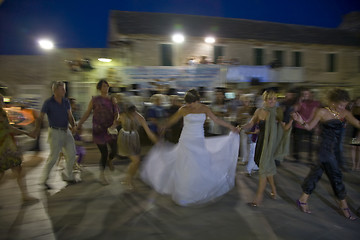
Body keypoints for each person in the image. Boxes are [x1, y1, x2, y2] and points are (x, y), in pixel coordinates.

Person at [140, 89, 240, 206]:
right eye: (187, 103)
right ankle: (184, 193)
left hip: (199, 140)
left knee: (199, 164)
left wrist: (231, 127)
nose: (188, 105)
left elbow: (216, 120)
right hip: (186, 140)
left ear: (197, 101)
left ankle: (198, 190)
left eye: (190, 103)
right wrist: (163, 127)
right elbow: (172, 120)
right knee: (185, 166)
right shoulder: (183, 109)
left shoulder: (205, 108)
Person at [292, 88, 359, 220]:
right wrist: (300, 121)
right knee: (336, 176)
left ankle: (302, 199)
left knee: (316, 174)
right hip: (324, 149)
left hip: (336, 151)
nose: (342, 107)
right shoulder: (322, 111)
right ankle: (344, 206)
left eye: (344, 105)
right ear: (332, 102)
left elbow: (357, 123)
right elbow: (309, 127)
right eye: (340, 104)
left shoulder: (345, 113)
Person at [239, 90, 293, 206]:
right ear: (265, 100)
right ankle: (274, 190)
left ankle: (258, 198)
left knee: (263, 169)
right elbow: (251, 124)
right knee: (266, 167)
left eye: (275, 99)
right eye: (270, 99)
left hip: (270, 144)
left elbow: (285, 128)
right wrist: (241, 127)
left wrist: (293, 120)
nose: (273, 101)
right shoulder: (259, 111)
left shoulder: (277, 112)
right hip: (260, 142)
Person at [32, 81, 79, 189]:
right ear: (55, 90)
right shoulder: (48, 102)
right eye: (62, 89)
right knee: (53, 157)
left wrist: (74, 126)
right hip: (55, 132)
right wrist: (36, 129)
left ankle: (69, 176)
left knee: (72, 153)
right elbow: (40, 117)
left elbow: (70, 116)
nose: (65, 91)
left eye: (64, 88)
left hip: (66, 130)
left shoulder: (66, 102)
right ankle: (44, 180)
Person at [77, 79, 118, 185]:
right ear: (99, 88)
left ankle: (110, 160)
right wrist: (80, 123)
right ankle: (102, 175)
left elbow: (116, 113)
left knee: (114, 150)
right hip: (99, 129)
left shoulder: (112, 99)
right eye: (104, 86)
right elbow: (87, 113)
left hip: (110, 129)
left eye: (107, 86)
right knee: (104, 152)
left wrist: (114, 122)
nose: (106, 88)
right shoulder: (95, 100)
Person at [0, 94, 38, 203]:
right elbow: (9, 129)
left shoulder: (3, 113)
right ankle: (25, 196)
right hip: (2, 148)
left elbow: (10, 129)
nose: (2, 102)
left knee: (19, 169)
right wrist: (26, 133)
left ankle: (25, 196)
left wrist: (26, 133)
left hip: (9, 147)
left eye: (2, 100)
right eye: (0, 100)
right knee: (2, 173)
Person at [115, 102, 157, 189]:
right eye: (131, 113)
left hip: (134, 138)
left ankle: (127, 179)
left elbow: (149, 132)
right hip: (124, 138)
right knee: (136, 161)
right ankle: (128, 180)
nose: (133, 115)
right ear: (127, 112)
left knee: (136, 162)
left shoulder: (140, 118)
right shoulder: (122, 115)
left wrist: (156, 141)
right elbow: (116, 122)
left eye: (134, 112)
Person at [292, 88, 320, 163]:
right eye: (303, 94)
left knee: (311, 142)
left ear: (311, 94)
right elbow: (295, 109)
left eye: (306, 94)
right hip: (299, 125)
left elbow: (316, 114)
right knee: (298, 141)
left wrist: (316, 126)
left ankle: (310, 157)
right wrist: (299, 102)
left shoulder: (316, 103)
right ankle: (296, 157)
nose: (304, 95)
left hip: (311, 124)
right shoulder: (300, 102)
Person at [350, 97, 360, 171]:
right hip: (354, 130)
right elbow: (350, 118)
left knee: (358, 148)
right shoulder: (353, 109)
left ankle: (358, 165)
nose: (358, 102)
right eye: (357, 101)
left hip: (359, 132)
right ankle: (354, 164)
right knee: (353, 147)